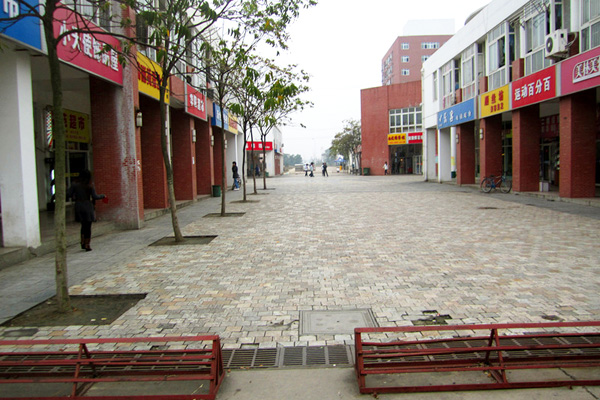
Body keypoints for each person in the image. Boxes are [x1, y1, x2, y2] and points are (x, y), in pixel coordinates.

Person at [68, 170, 105, 252]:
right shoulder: (89, 186)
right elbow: (95, 196)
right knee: (88, 226)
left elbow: (69, 194)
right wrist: (103, 196)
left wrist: (75, 196)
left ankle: (82, 241)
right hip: (88, 206)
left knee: (83, 225)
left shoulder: (75, 185)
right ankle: (87, 243)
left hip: (79, 205)